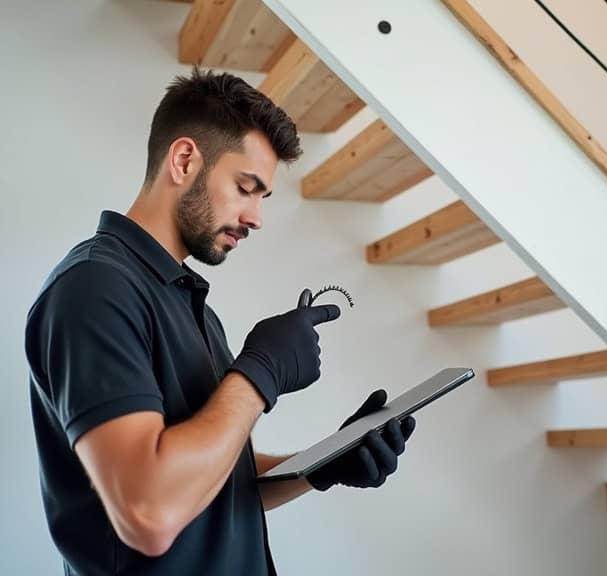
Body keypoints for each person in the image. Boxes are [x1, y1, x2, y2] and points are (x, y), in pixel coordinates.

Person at [24, 69, 416, 575]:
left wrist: (323, 464)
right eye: (245, 187)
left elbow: (212, 479)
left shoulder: (194, 307)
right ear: (184, 160)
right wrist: (260, 374)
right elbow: (149, 511)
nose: (256, 217)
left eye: (261, 197)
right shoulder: (94, 289)